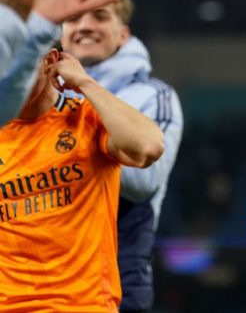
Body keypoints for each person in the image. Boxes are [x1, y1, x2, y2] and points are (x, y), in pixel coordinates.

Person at [0, 45, 164, 311]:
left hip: (84, 305)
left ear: (50, 61)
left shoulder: (87, 119)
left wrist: (86, 83)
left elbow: (148, 147)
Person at [62, 0, 183, 313]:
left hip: (113, 282)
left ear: (123, 34)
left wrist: (64, 133)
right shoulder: (40, 97)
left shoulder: (153, 96)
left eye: (99, 16)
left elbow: (144, 180)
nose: (84, 25)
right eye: (72, 19)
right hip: (37, 281)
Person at [1, 0, 126, 123]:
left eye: (100, 17)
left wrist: (34, 31)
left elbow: (149, 145)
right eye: (75, 20)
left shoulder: (149, 91)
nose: (85, 26)